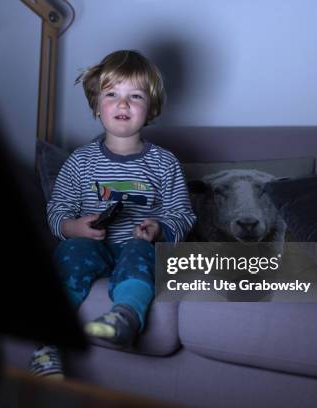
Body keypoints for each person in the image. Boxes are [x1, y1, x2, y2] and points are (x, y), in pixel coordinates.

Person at [30, 50, 196, 378]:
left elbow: (183, 214)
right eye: (112, 95)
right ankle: (47, 347)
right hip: (93, 246)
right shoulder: (79, 161)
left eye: (135, 96)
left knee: (140, 252)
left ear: (151, 108)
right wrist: (73, 227)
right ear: (96, 106)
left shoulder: (165, 163)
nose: (123, 105)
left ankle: (124, 317)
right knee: (71, 252)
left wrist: (159, 229)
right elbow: (58, 210)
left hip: (136, 246)